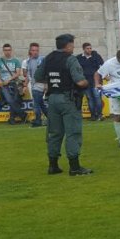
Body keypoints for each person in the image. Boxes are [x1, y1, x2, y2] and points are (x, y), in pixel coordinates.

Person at [34, 34, 92, 176]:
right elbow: (79, 81)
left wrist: (53, 81)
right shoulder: (70, 59)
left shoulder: (49, 58)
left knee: (54, 133)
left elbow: (37, 76)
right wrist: (87, 83)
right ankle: (74, 167)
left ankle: (53, 166)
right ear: (68, 45)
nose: (73, 48)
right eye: (72, 45)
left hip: (52, 99)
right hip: (68, 100)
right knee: (73, 132)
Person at [0, 43, 26, 124]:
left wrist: (9, 79)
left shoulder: (15, 61)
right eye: (5, 50)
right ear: (3, 51)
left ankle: (12, 118)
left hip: (14, 83)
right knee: (9, 100)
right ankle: (23, 115)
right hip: (4, 84)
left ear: (11, 51)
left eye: (9, 50)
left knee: (14, 100)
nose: (7, 52)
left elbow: (18, 73)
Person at [76, 42, 104, 121]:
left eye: (90, 48)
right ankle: (93, 115)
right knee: (89, 98)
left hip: (96, 81)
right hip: (86, 82)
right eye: (87, 48)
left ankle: (99, 114)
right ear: (83, 49)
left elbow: (102, 65)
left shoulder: (96, 56)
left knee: (97, 97)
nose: (89, 50)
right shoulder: (79, 58)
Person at [23, 43, 47, 127]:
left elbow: (46, 73)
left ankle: (38, 120)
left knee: (36, 104)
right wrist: (25, 85)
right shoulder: (28, 61)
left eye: (37, 50)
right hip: (34, 85)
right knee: (40, 104)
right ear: (30, 51)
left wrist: (46, 85)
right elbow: (28, 75)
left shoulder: (42, 60)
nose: (35, 52)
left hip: (40, 84)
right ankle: (51, 119)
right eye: (33, 50)